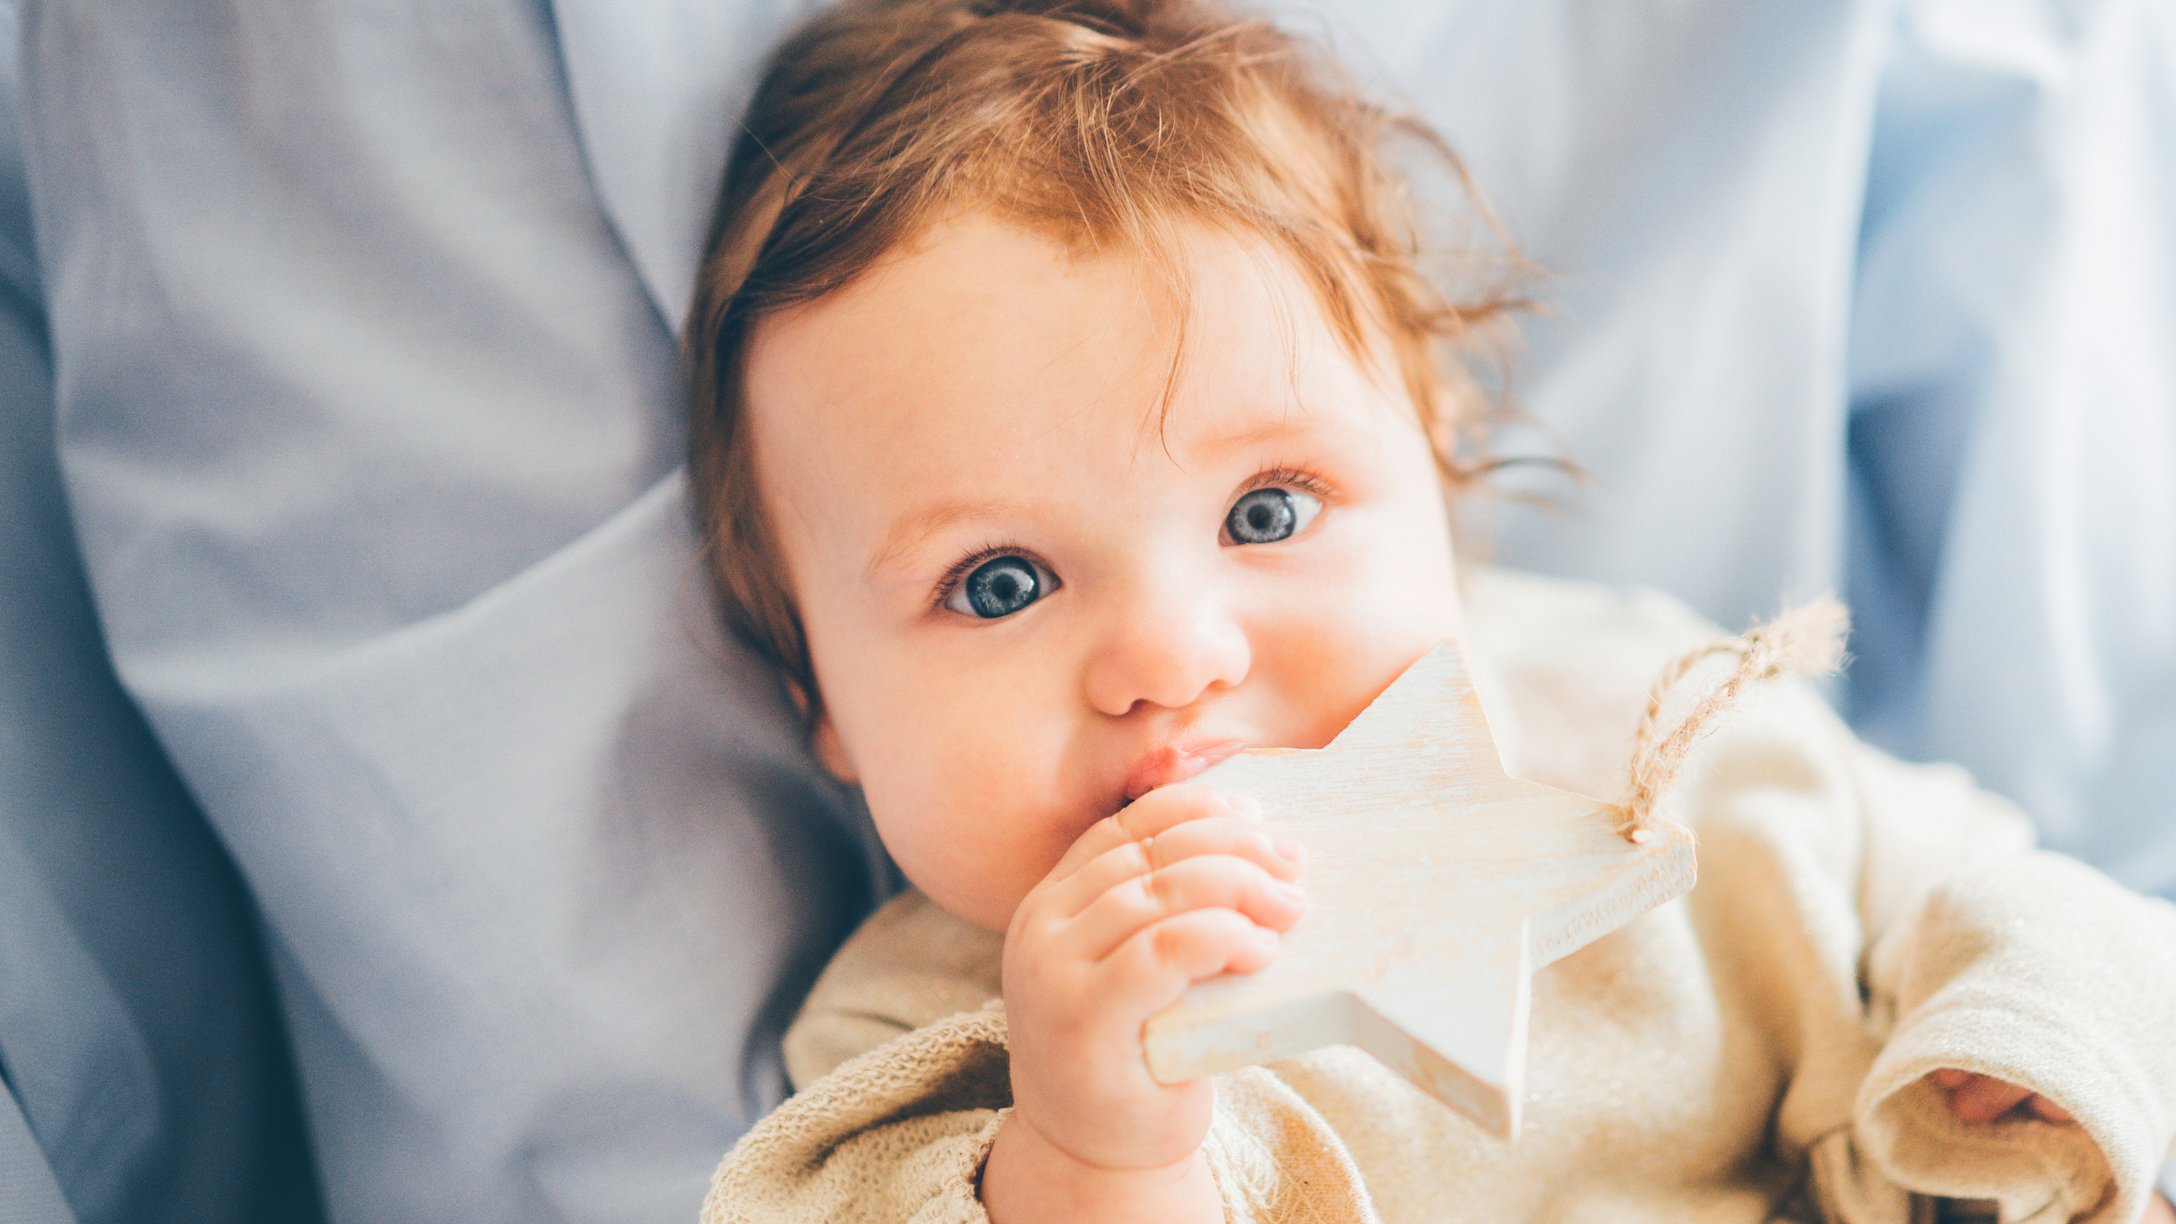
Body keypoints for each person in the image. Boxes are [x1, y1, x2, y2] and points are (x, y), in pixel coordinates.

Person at [685, 2, 2176, 1220]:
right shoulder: (914, 1053)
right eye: (999, 584)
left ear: (1441, 476)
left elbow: (1984, 885)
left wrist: (2019, 1051)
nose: (1172, 657)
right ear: (819, 695)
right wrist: (1093, 1154)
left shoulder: (1632, 722)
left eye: (1266, 512)